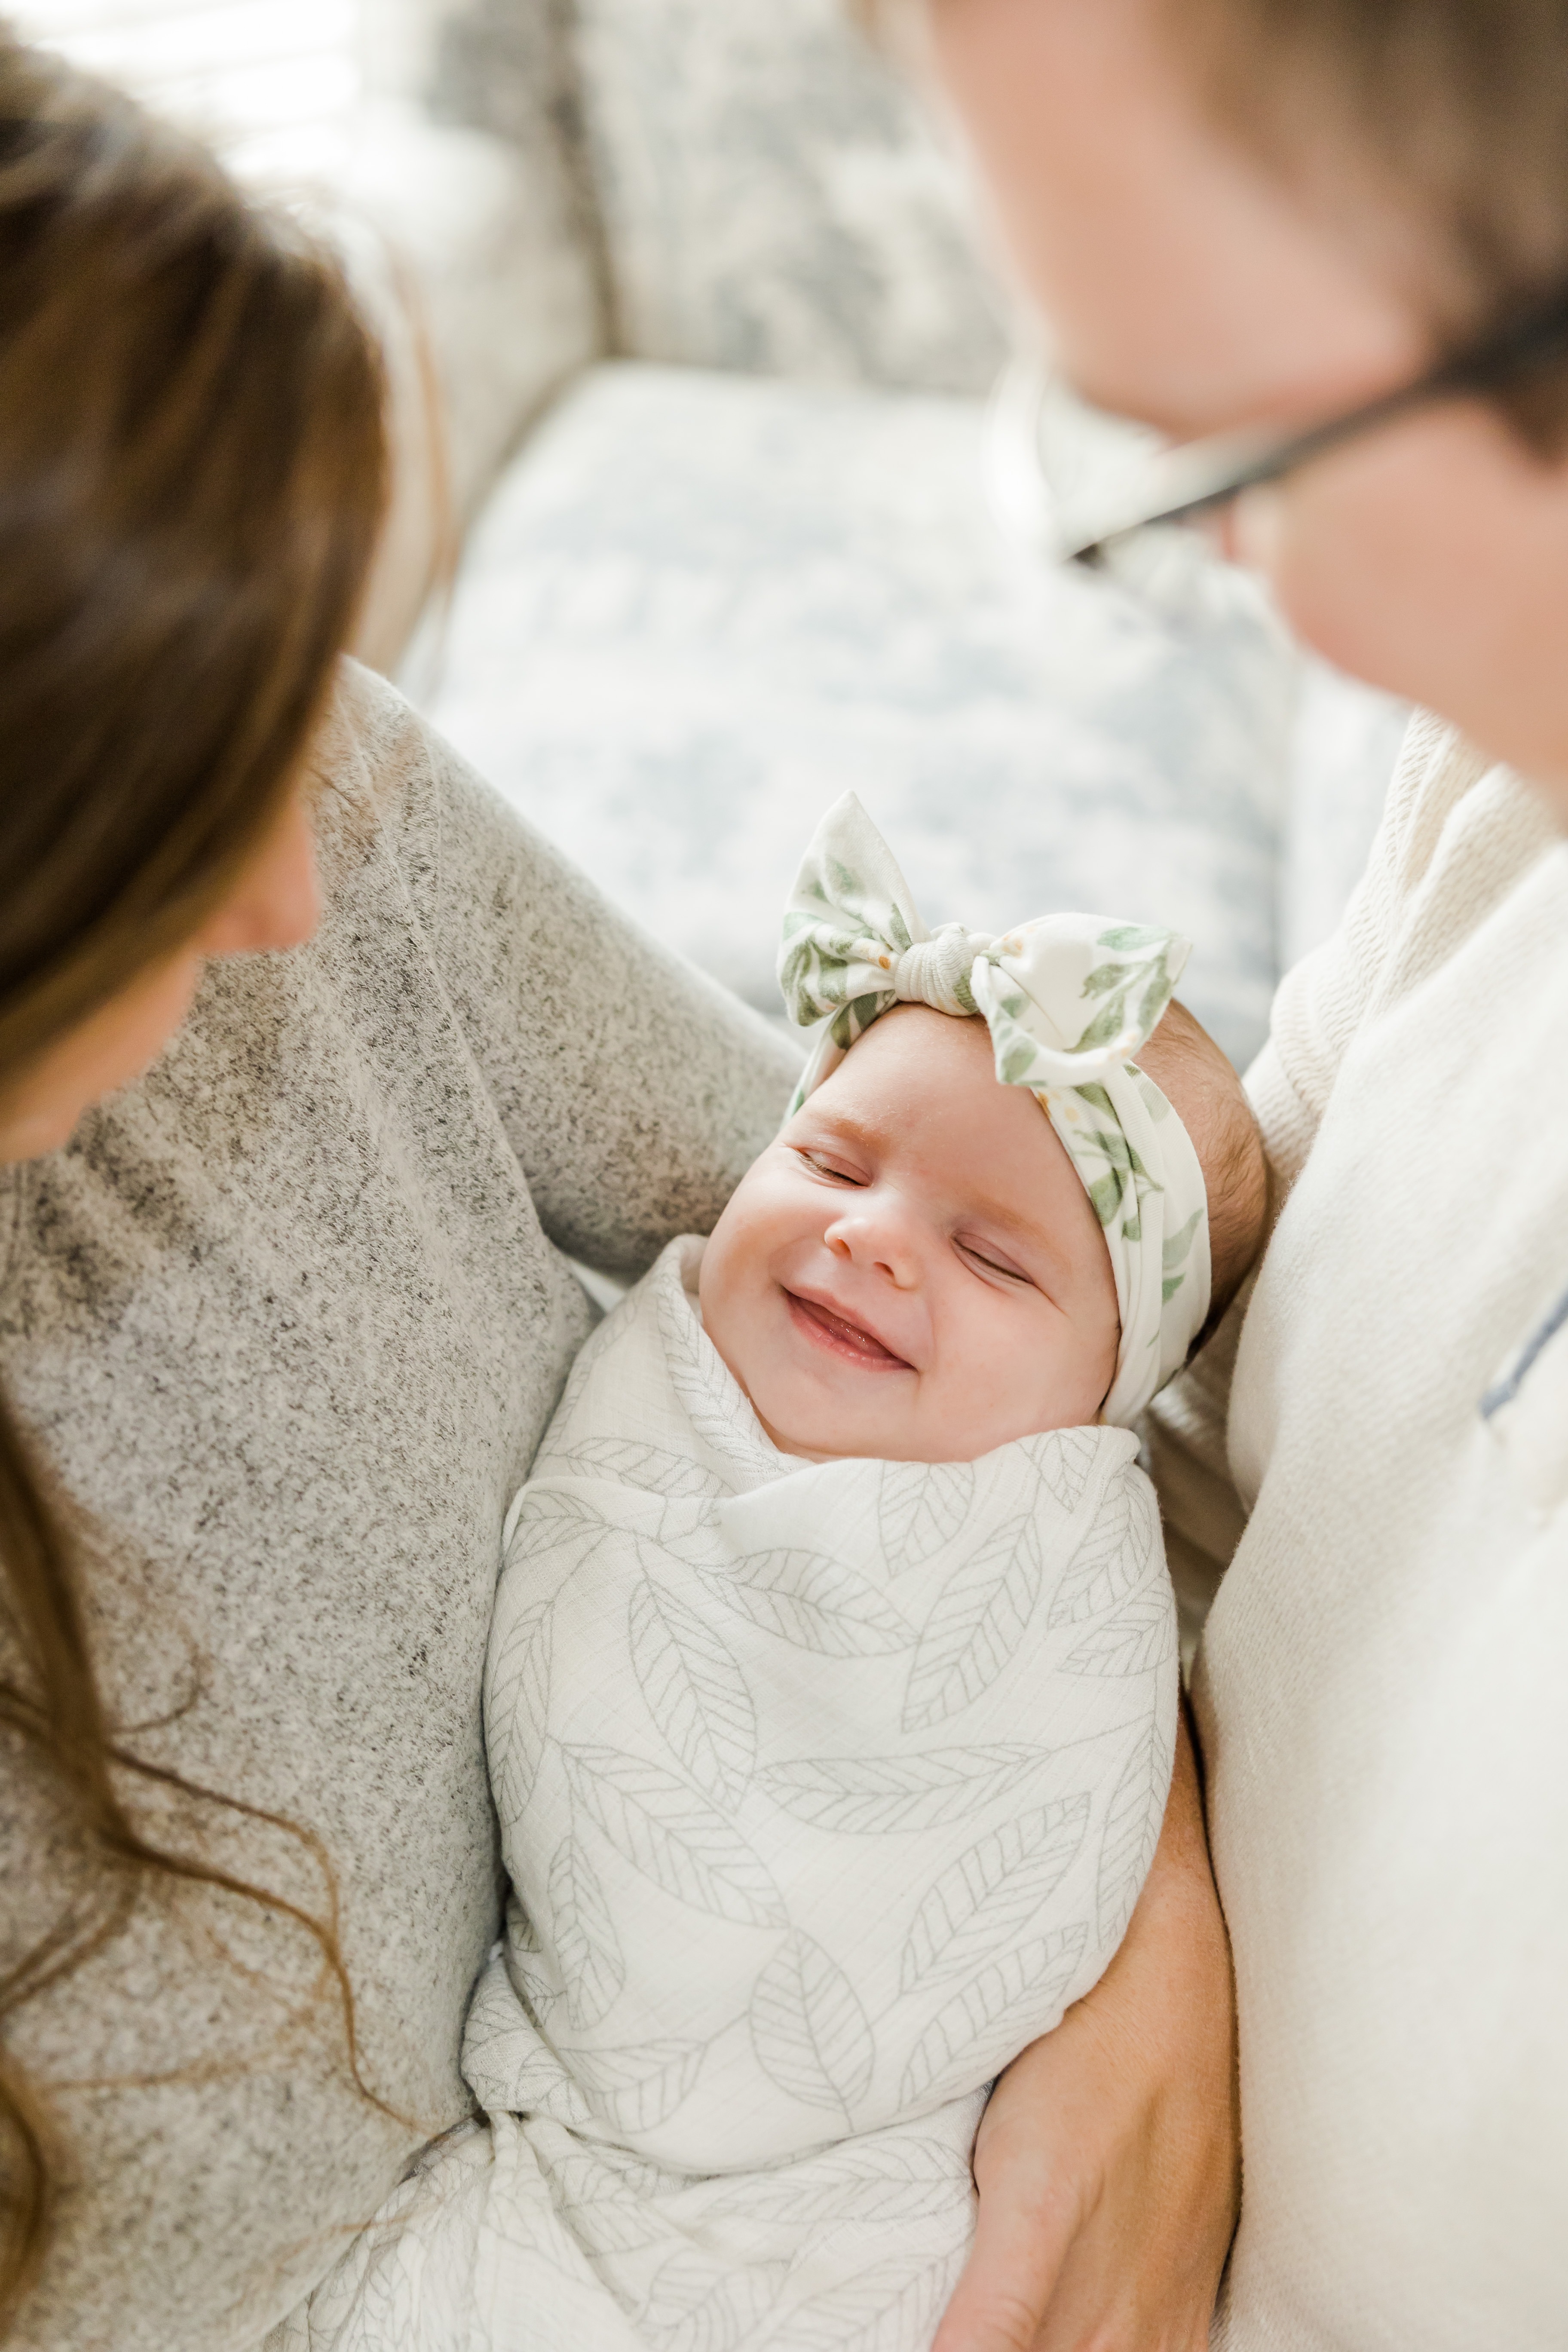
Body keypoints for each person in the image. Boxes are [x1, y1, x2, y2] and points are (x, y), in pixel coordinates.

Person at [0, 31, 1231, 2352]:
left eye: (309, 698)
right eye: (182, 803)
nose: (297, 890)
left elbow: (988, 1287)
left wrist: (1138, 1935)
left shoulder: (274, 757)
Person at [910, 0, 1568, 2346]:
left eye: (1235, 458)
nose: (1274, 606)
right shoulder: (1501, 798)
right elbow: (1167, 1421)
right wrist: (1152, 1952)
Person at [275, 798, 1266, 2349]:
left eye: (998, 1259)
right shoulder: (655, 1366)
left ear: (1100, 1404)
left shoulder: (1057, 1546)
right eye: (828, 1156)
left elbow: (995, 1828)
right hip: (571, 2137)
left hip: (861, 2188)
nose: (872, 1239)